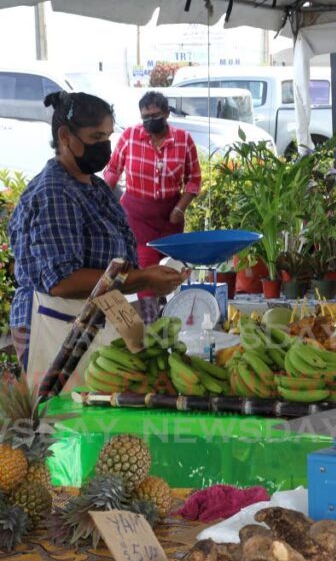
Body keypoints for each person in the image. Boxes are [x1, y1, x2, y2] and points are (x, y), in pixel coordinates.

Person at [9, 91, 187, 379]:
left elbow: (114, 268)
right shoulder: (55, 193)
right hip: (54, 325)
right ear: (65, 136)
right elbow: (63, 281)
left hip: (94, 319)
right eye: (95, 138)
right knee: (65, 418)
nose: (104, 146)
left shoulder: (94, 187)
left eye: (107, 137)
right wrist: (142, 279)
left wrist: (152, 279)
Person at [104, 91, 201, 297]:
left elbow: (194, 179)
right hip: (137, 217)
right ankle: (150, 322)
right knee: (146, 272)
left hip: (170, 217)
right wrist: (102, 196)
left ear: (166, 114)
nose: (150, 121)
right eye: (145, 117)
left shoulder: (183, 140)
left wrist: (180, 207)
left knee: (171, 272)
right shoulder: (130, 136)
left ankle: (170, 314)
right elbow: (113, 170)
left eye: (155, 116)